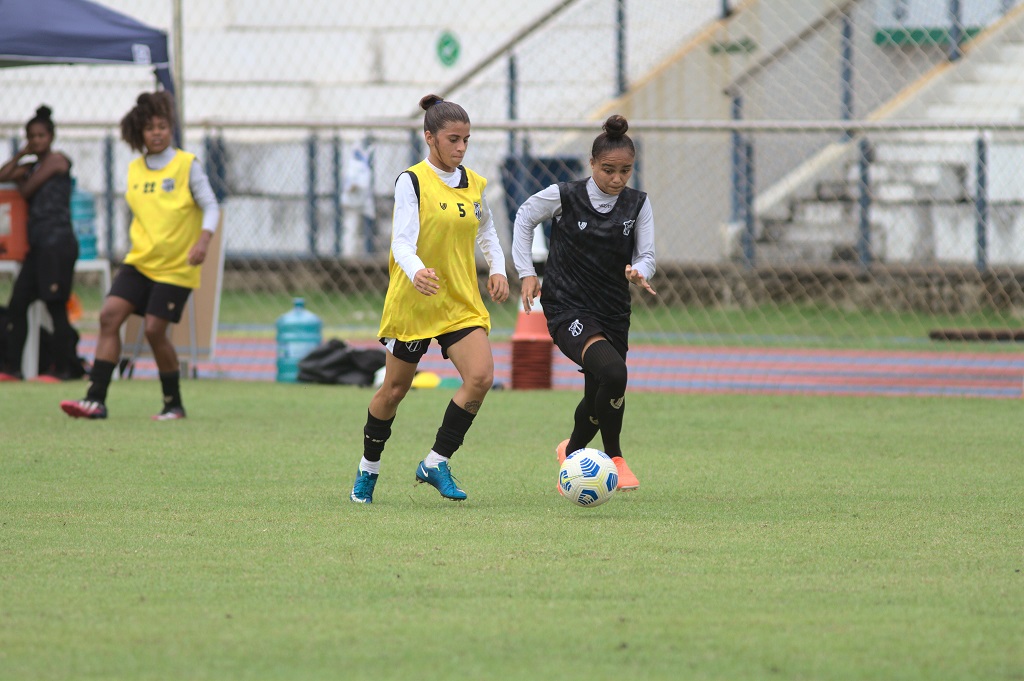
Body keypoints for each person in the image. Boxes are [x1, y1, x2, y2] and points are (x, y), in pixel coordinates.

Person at [349, 94, 509, 504]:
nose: (460, 148)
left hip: (458, 300)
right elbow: (401, 241)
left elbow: (486, 229)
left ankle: (437, 460)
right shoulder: (413, 181)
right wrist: (416, 270)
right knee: (395, 391)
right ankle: (368, 469)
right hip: (416, 301)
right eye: (453, 139)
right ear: (429, 138)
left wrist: (498, 267)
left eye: (466, 140)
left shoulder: (474, 183)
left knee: (481, 378)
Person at [512, 114, 656, 491]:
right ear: (592, 164)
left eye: (625, 170)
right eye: (608, 169)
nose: (617, 178)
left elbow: (648, 256)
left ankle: (571, 453)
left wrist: (639, 271)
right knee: (615, 375)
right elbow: (525, 215)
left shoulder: (638, 205)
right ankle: (616, 459)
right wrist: (527, 271)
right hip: (567, 307)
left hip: (613, 310)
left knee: (598, 396)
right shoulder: (565, 195)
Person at [60, 91, 220, 420]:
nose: (157, 132)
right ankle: (95, 399)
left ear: (171, 128)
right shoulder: (134, 170)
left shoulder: (186, 165)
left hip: (176, 267)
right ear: (139, 133)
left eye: (162, 126)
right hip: (139, 262)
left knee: (153, 330)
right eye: (150, 128)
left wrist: (203, 241)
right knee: (109, 317)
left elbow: (211, 206)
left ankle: (173, 403)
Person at [0, 106, 80, 382]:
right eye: (31, 137)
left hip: (57, 244)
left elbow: (26, 188)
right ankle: (12, 367)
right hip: (37, 247)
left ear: (51, 137)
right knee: (18, 304)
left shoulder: (58, 161)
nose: (36, 141)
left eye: (41, 136)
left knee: (55, 306)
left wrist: (25, 172)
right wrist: (21, 155)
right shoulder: (31, 166)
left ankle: (65, 368)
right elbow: (3, 175)